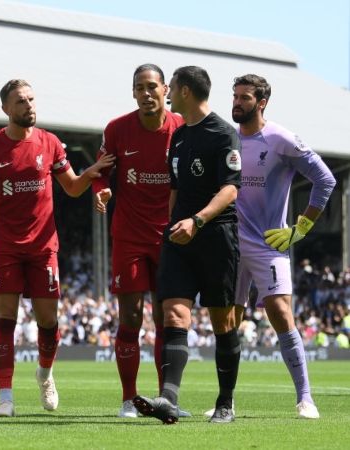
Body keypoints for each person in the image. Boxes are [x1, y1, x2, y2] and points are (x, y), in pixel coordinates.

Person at [0, 79, 114, 417]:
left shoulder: (50, 142)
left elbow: (71, 188)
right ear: (5, 109)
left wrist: (91, 174)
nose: (29, 105)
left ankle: (45, 374)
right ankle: (5, 398)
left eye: (31, 99)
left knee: (48, 321)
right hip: (6, 247)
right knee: (5, 321)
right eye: (20, 101)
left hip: (43, 246)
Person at [132, 66, 242, 424]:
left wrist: (198, 220)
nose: (166, 94)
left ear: (184, 92)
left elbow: (230, 188)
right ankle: (168, 399)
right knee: (173, 314)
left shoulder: (223, 133)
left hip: (215, 237)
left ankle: (225, 403)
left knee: (222, 321)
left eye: (171, 88)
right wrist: (173, 224)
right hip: (179, 237)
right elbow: (176, 188)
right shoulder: (179, 136)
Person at [227, 73, 335, 419]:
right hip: (228, 243)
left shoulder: (280, 139)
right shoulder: (225, 139)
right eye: (235, 96)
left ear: (261, 103)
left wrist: (301, 227)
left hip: (268, 243)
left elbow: (325, 180)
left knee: (280, 313)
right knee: (226, 320)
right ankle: (225, 402)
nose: (237, 102)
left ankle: (305, 398)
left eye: (245, 97)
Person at [92, 63, 190, 419]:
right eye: (139, 88)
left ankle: (167, 397)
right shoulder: (117, 129)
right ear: (133, 93)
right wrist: (102, 191)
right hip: (129, 235)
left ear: (166, 90)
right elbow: (100, 174)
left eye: (152, 87)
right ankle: (129, 399)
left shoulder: (183, 127)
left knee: (166, 320)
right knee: (131, 318)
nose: (146, 93)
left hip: (169, 236)